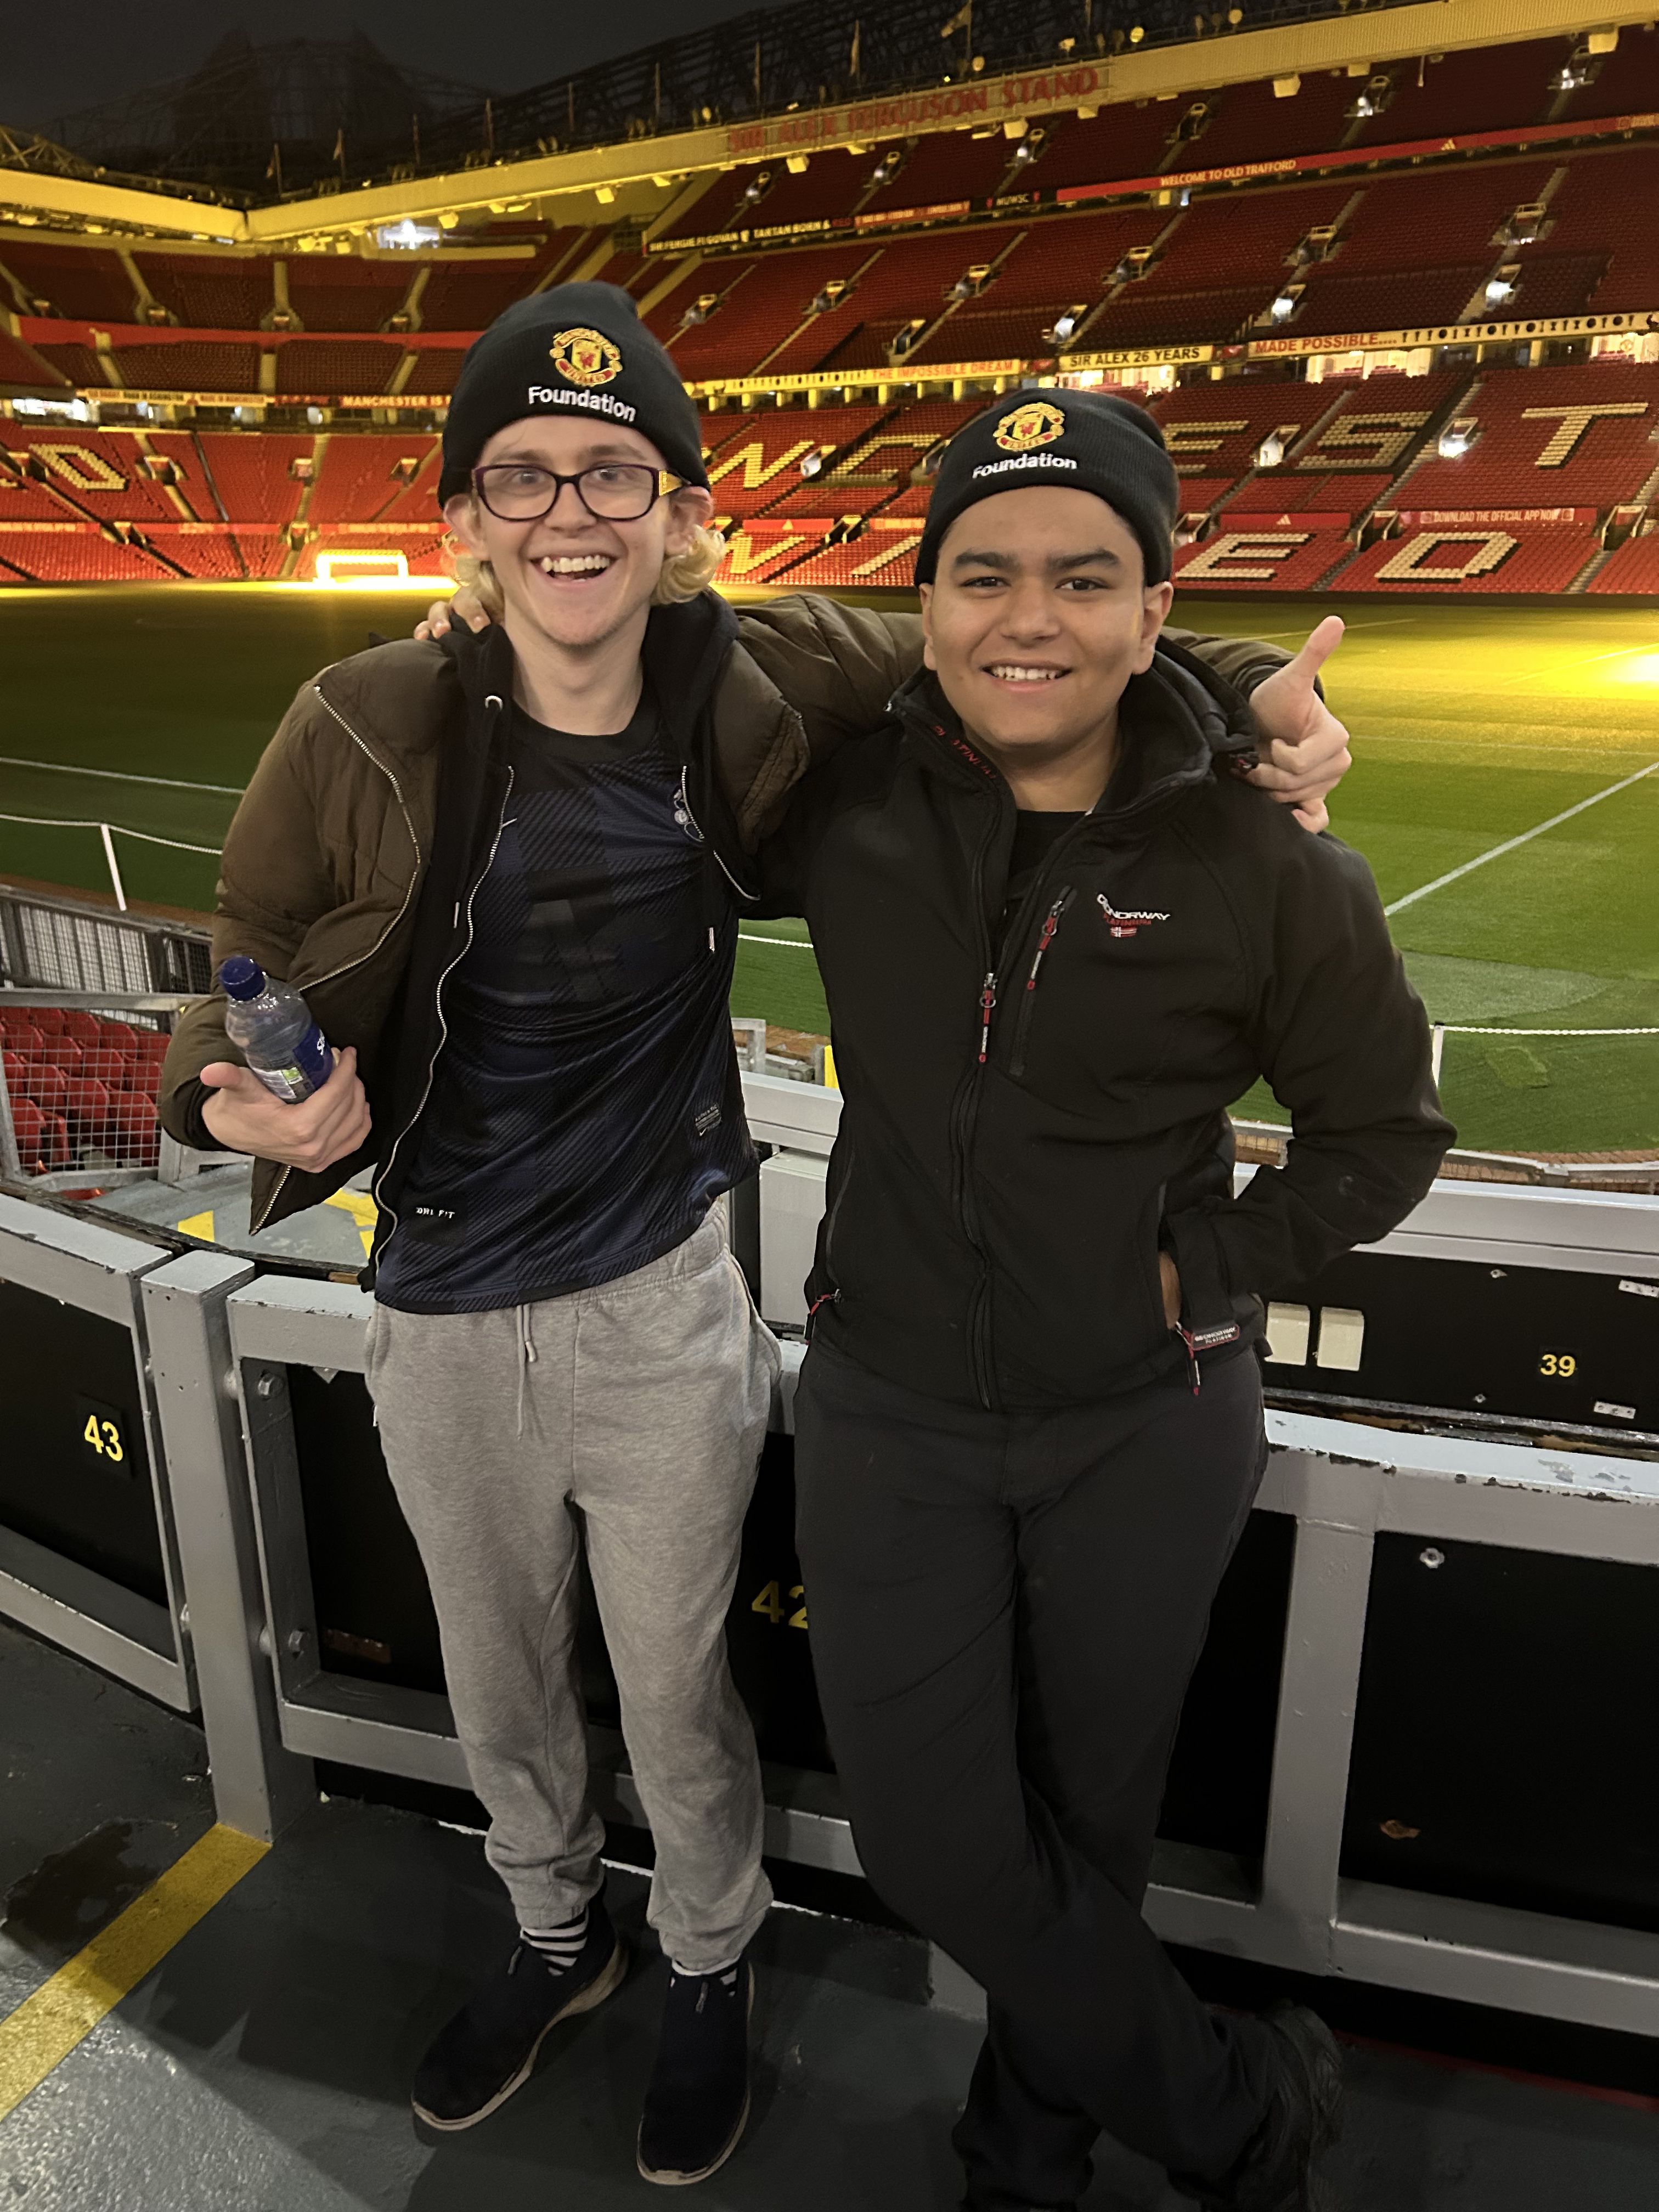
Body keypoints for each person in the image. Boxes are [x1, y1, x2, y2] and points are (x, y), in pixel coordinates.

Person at [159, 283, 1351, 2194]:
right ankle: (562, 1938)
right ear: (465, 516)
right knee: (502, 1690)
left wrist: (1239, 689)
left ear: (684, 513)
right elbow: (240, 952)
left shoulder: (771, 673)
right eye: (525, 476)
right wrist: (233, 1092)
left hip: (660, 1304)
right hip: (436, 1303)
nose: (571, 512)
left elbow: (1026, 624)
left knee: (680, 1683)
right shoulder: (359, 720)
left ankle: (708, 1963)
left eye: (615, 472)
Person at [751, 390, 1454, 2211]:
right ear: (927, 607)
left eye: (1084, 577)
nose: (1027, 619)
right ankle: (1235, 2110)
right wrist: (455, 643)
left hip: (1145, 1420)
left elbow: (1384, 1131)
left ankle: (1026, 2157)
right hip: (890, 1404)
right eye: (980, 575)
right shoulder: (843, 804)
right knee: (929, 1832)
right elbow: (686, 651)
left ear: (1155, 609)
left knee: (1091, 1829)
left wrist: (1196, 1269)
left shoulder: (1272, 867)